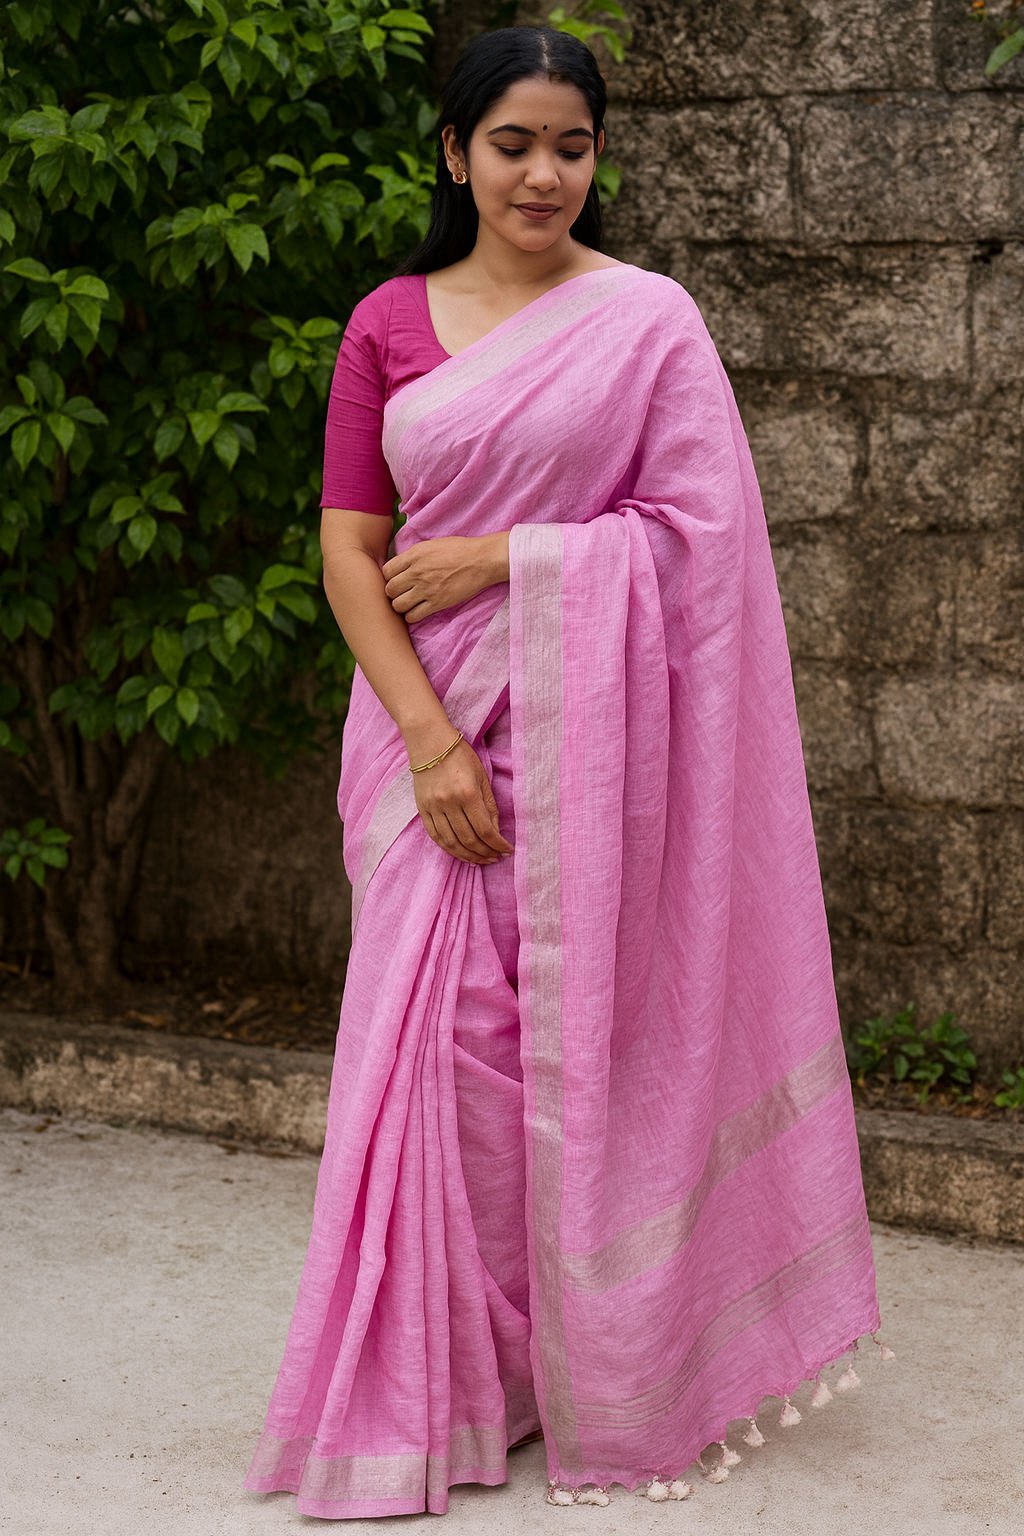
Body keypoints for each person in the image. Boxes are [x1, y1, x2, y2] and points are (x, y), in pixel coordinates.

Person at [244, 24, 882, 1520]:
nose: (544, 172)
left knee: (575, 1052)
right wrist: (429, 737)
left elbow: (702, 542)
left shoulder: (649, 320)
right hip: (429, 736)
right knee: (443, 1056)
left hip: (601, 758)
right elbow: (349, 545)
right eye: (514, 143)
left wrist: (512, 557)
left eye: (573, 145)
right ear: (454, 153)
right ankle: (448, 1381)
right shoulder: (387, 321)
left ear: (600, 157)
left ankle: (568, 1364)